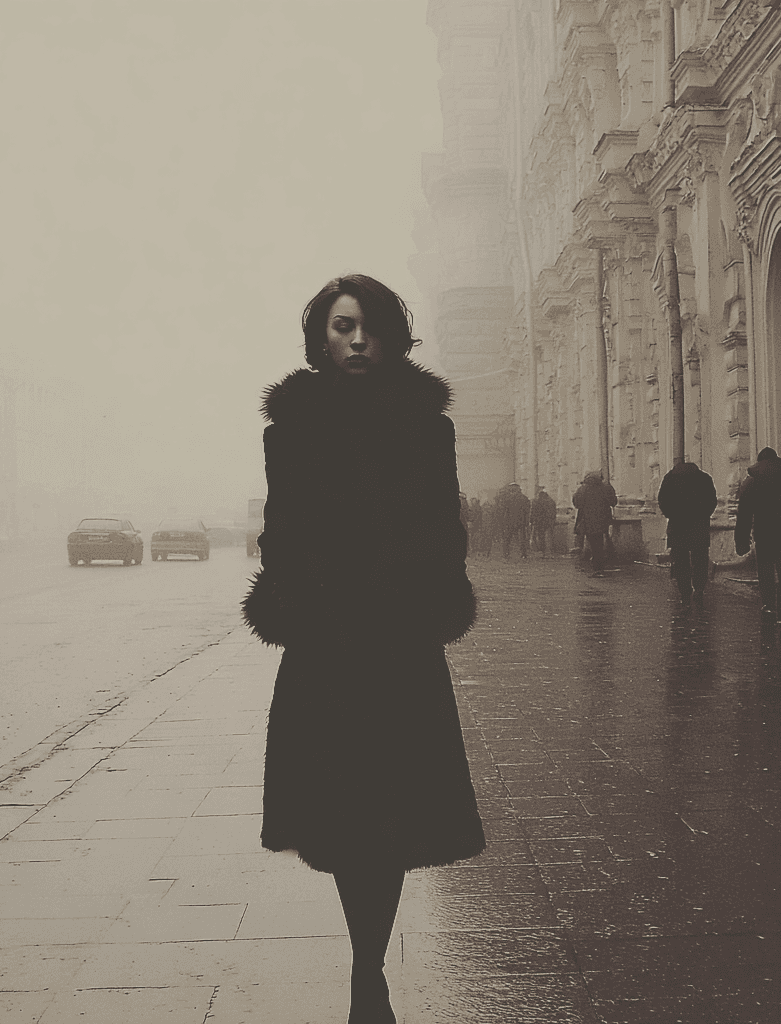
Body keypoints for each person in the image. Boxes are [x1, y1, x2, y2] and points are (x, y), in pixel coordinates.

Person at [242, 274, 486, 1023]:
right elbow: (280, 532)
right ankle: (366, 958)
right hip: (324, 644)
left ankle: (367, 967)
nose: (356, 340)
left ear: (392, 337)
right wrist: (300, 596)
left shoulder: (424, 424)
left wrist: (420, 591)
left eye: (369, 327)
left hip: (400, 642)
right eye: (342, 327)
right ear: (320, 337)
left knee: (392, 809)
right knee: (345, 813)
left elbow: (446, 527)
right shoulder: (290, 430)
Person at [734, 447, 781, 623]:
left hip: (763, 531)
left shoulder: (751, 481)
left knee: (765, 569)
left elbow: (743, 513)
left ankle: (769, 605)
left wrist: (741, 540)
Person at [657, 460, 718, 607]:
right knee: (700, 559)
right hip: (699, 525)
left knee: (680, 560)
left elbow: (662, 500)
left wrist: (671, 514)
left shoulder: (670, 478)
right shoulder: (704, 478)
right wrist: (703, 515)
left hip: (678, 525)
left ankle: (684, 591)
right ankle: (699, 589)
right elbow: (712, 501)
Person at [572, 470, 617, 576]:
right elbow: (613, 502)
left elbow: (576, 503)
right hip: (603, 520)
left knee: (593, 543)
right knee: (601, 542)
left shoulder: (582, 489)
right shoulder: (606, 488)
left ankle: (596, 566)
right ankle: (600, 565)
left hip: (588, 521)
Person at [499, 482, 530, 559]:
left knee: (507, 538)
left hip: (509, 521)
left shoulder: (507, 498)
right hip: (520, 521)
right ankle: (523, 553)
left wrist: (503, 521)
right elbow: (527, 511)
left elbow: (503, 511)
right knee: (522, 538)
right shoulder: (524, 498)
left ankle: (506, 554)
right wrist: (526, 522)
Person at [529, 486, 557, 558]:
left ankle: (542, 551)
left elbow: (532, 512)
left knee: (540, 537)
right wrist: (553, 520)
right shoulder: (550, 501)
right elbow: (554, 512)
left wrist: (531, 520)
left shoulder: (535, 501)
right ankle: (549, 551)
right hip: (548, 521)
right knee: (549, 536)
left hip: (539, 521)